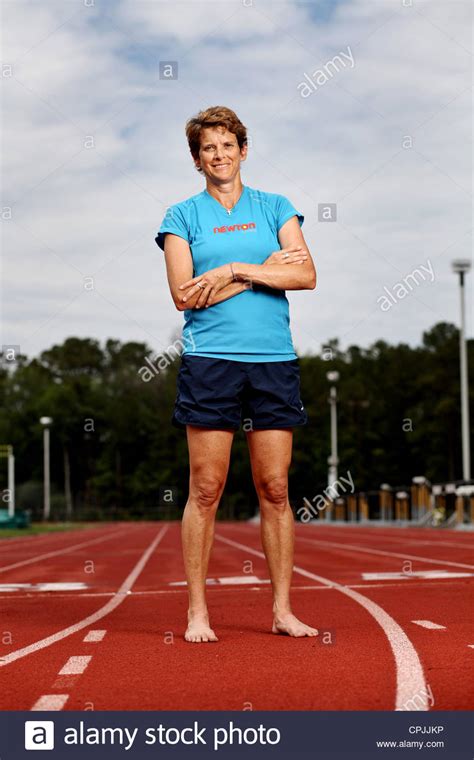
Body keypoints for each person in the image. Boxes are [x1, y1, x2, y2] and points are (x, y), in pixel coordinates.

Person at [155, 106, 318, 643]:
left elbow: (307, 274)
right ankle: (198, 612)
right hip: (211, 363)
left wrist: (229, 271)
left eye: (227, 145)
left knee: (274, 487)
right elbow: (184, 295)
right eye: (208, 149)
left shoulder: (276, 206)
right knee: (207, 487)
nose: (219, 155)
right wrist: (262, 273)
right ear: (197, 160)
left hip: (273, 361)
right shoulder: (182, 217)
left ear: (243, 151)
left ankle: (282, 611)